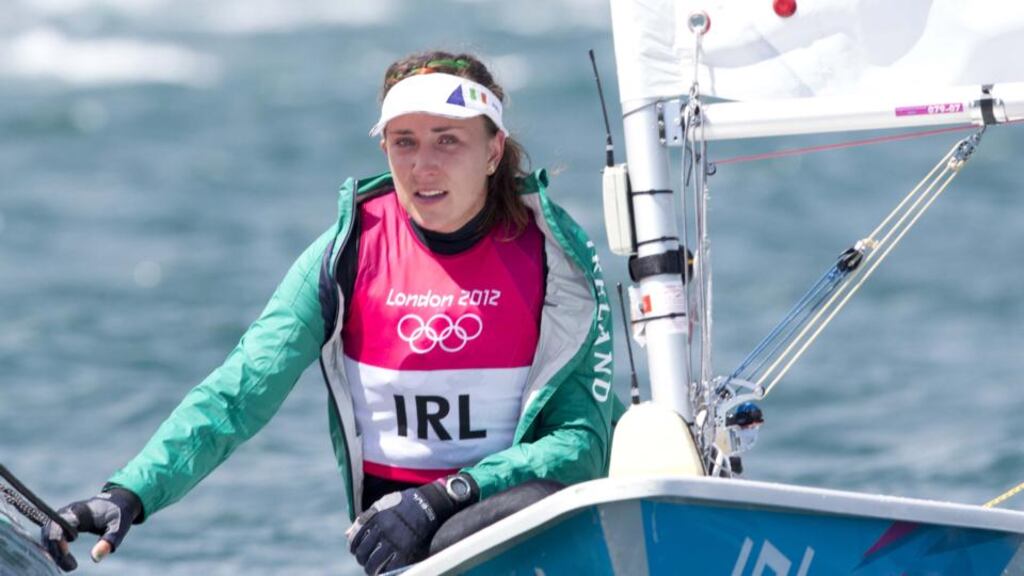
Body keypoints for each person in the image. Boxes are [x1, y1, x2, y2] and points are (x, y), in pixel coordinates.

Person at [42, 50, 618, 575]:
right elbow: (239, 393)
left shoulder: (553, 256)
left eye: (447, 141)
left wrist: (449, 494)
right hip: (399, 546)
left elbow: (580, 444)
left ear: (493, 151)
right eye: (404, 142)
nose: (423, 167)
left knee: (546, 498)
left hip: (525, 522)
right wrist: (131, 492)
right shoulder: (346, 255)